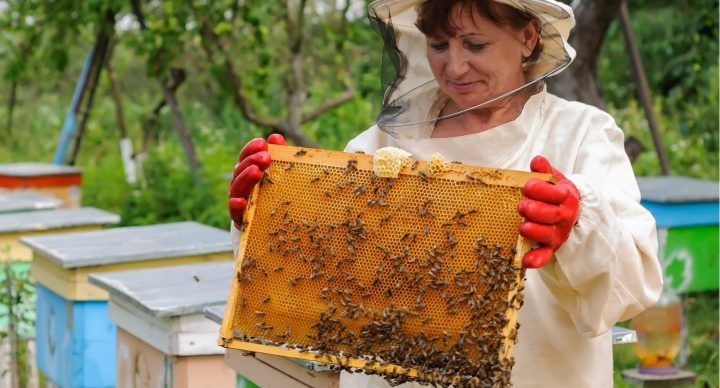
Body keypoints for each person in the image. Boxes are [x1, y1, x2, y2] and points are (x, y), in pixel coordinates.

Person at [228, 0, 663, 386]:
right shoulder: (379, 145)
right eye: (439, 45)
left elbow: (634, 289)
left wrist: (580, 227)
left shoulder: (581, 135)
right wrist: (264, 216)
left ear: (528, 38)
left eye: (475, 45)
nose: (454, 67)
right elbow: (314, 283)